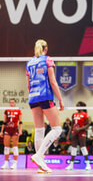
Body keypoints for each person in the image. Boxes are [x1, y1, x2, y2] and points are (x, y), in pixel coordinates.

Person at [26, 39, 64, 173]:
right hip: (45, 96)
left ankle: (40, 165)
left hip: (32, 97)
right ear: (46, 48)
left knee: (39, 130)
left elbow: (28, 85)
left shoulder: (29, 63)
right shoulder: (47, 60)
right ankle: (38, 155)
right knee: (57, 129)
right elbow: (53, 82)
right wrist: (60, 100)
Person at [65, 101, 91, 171]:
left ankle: (88, 164)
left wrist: (80, 128)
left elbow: (87, 124)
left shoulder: (85, 114)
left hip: (81, 132)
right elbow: (72, 125)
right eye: (76, 105)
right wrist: (68, 134)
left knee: (83, 147)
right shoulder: (74, 114)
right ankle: (71, 165)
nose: (77, 107)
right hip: (74, 132)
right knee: (73, 148)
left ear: (82, 107)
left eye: (78, 105)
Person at [0, 99, 22, 169]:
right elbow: (4, 121)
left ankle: (15, 163)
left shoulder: (18, 111)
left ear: (15, 103)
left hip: (15, 129)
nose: (11, 104)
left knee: (15, 147)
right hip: (7, 129)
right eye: (10, 102)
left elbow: (20, 122)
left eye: (13, 102)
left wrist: (20, 130)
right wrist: (1, 131)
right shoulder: (7, 111)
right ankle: (6, 163)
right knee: (6, 147)